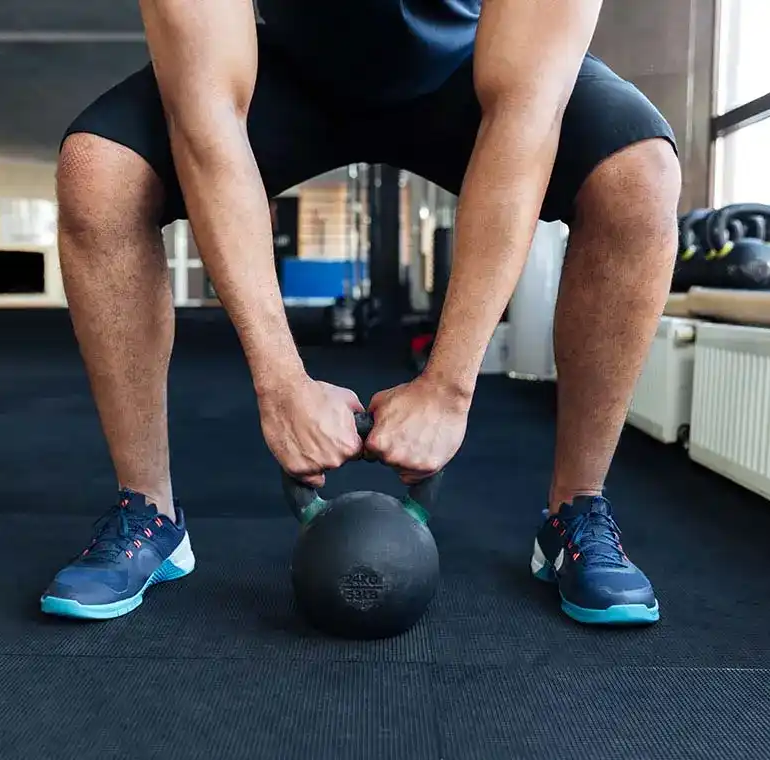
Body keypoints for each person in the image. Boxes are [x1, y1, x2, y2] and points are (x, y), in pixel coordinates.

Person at [40, 0, 681, 624]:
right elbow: (204, 118)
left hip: (472, 67)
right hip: (286, 68)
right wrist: (281, 381)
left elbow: (526, 116)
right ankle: (147, 510)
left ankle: (578, 510)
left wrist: (449, 387)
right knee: (100, 173)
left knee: (638, 176)